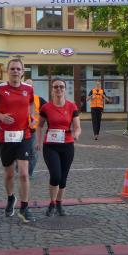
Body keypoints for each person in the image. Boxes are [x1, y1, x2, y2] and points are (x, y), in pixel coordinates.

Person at [0, 58, 36, 223]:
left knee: (24, 173)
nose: (15, 71)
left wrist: (32, 117)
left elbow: (31, 104)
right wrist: (1, 116)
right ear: (8, 71)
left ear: (22, 72)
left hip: (24, 135)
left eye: (18, 69)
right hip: (5, 137)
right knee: (9, 174)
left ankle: (24, 207)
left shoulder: (28, 89)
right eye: (12, 68)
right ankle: (10, 198)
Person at [36, 79, 81, 217]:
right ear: (52, 89)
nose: (59, 89)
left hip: (67, 146)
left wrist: (76, 134)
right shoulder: (46, 107)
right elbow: (39, 126)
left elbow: (77, 126)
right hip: (50, 146)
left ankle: (59, 203)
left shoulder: (72, 106)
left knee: (63, 178)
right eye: (56, 87)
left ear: (65, 89)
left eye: (61, 86)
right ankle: (52, 202)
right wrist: (38, 141)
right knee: (55, 176)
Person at [27, 91, 43, 177]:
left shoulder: (38, 99)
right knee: (19, 151)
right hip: (20, 129)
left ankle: (29, 172)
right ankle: (19, 166)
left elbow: (48, 109)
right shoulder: (18, 97)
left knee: (34, 152)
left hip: (33, 129)